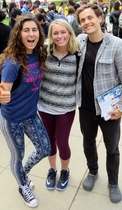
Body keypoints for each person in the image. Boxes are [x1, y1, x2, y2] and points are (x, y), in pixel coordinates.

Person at [75, 4, 122, 204]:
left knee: (112, 148)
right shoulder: (80, 42)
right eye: (82, 20)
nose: (87, 22)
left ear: (100, 18)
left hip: (109, 109)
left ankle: (113, 183)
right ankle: (92, 172)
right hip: (85, 107)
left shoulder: (118, 45)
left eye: (90, 17)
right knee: (88, 142)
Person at [0, 14, 51, 208]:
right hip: (12, 119)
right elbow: (3, 92)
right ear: (18, 34)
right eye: (26, 30)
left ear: (39, 33)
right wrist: (1, 96)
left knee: (45, 148)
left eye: (34, 30)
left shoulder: (39, 54)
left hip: (30, 115)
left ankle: (23, 174)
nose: (31, 33)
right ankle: (22, 185)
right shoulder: (13, 63)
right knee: (17, 156)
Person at [38, 19, 79, 191]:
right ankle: (52, 169)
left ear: (69, 33)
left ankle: (64, 170)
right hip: (45, 106)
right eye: (55, 33)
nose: (59, 36)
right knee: (49, 141)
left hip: (66, 107)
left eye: (63, 32)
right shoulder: (44, 52)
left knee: (62, 142)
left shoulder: (78, 53)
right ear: (51, 35)